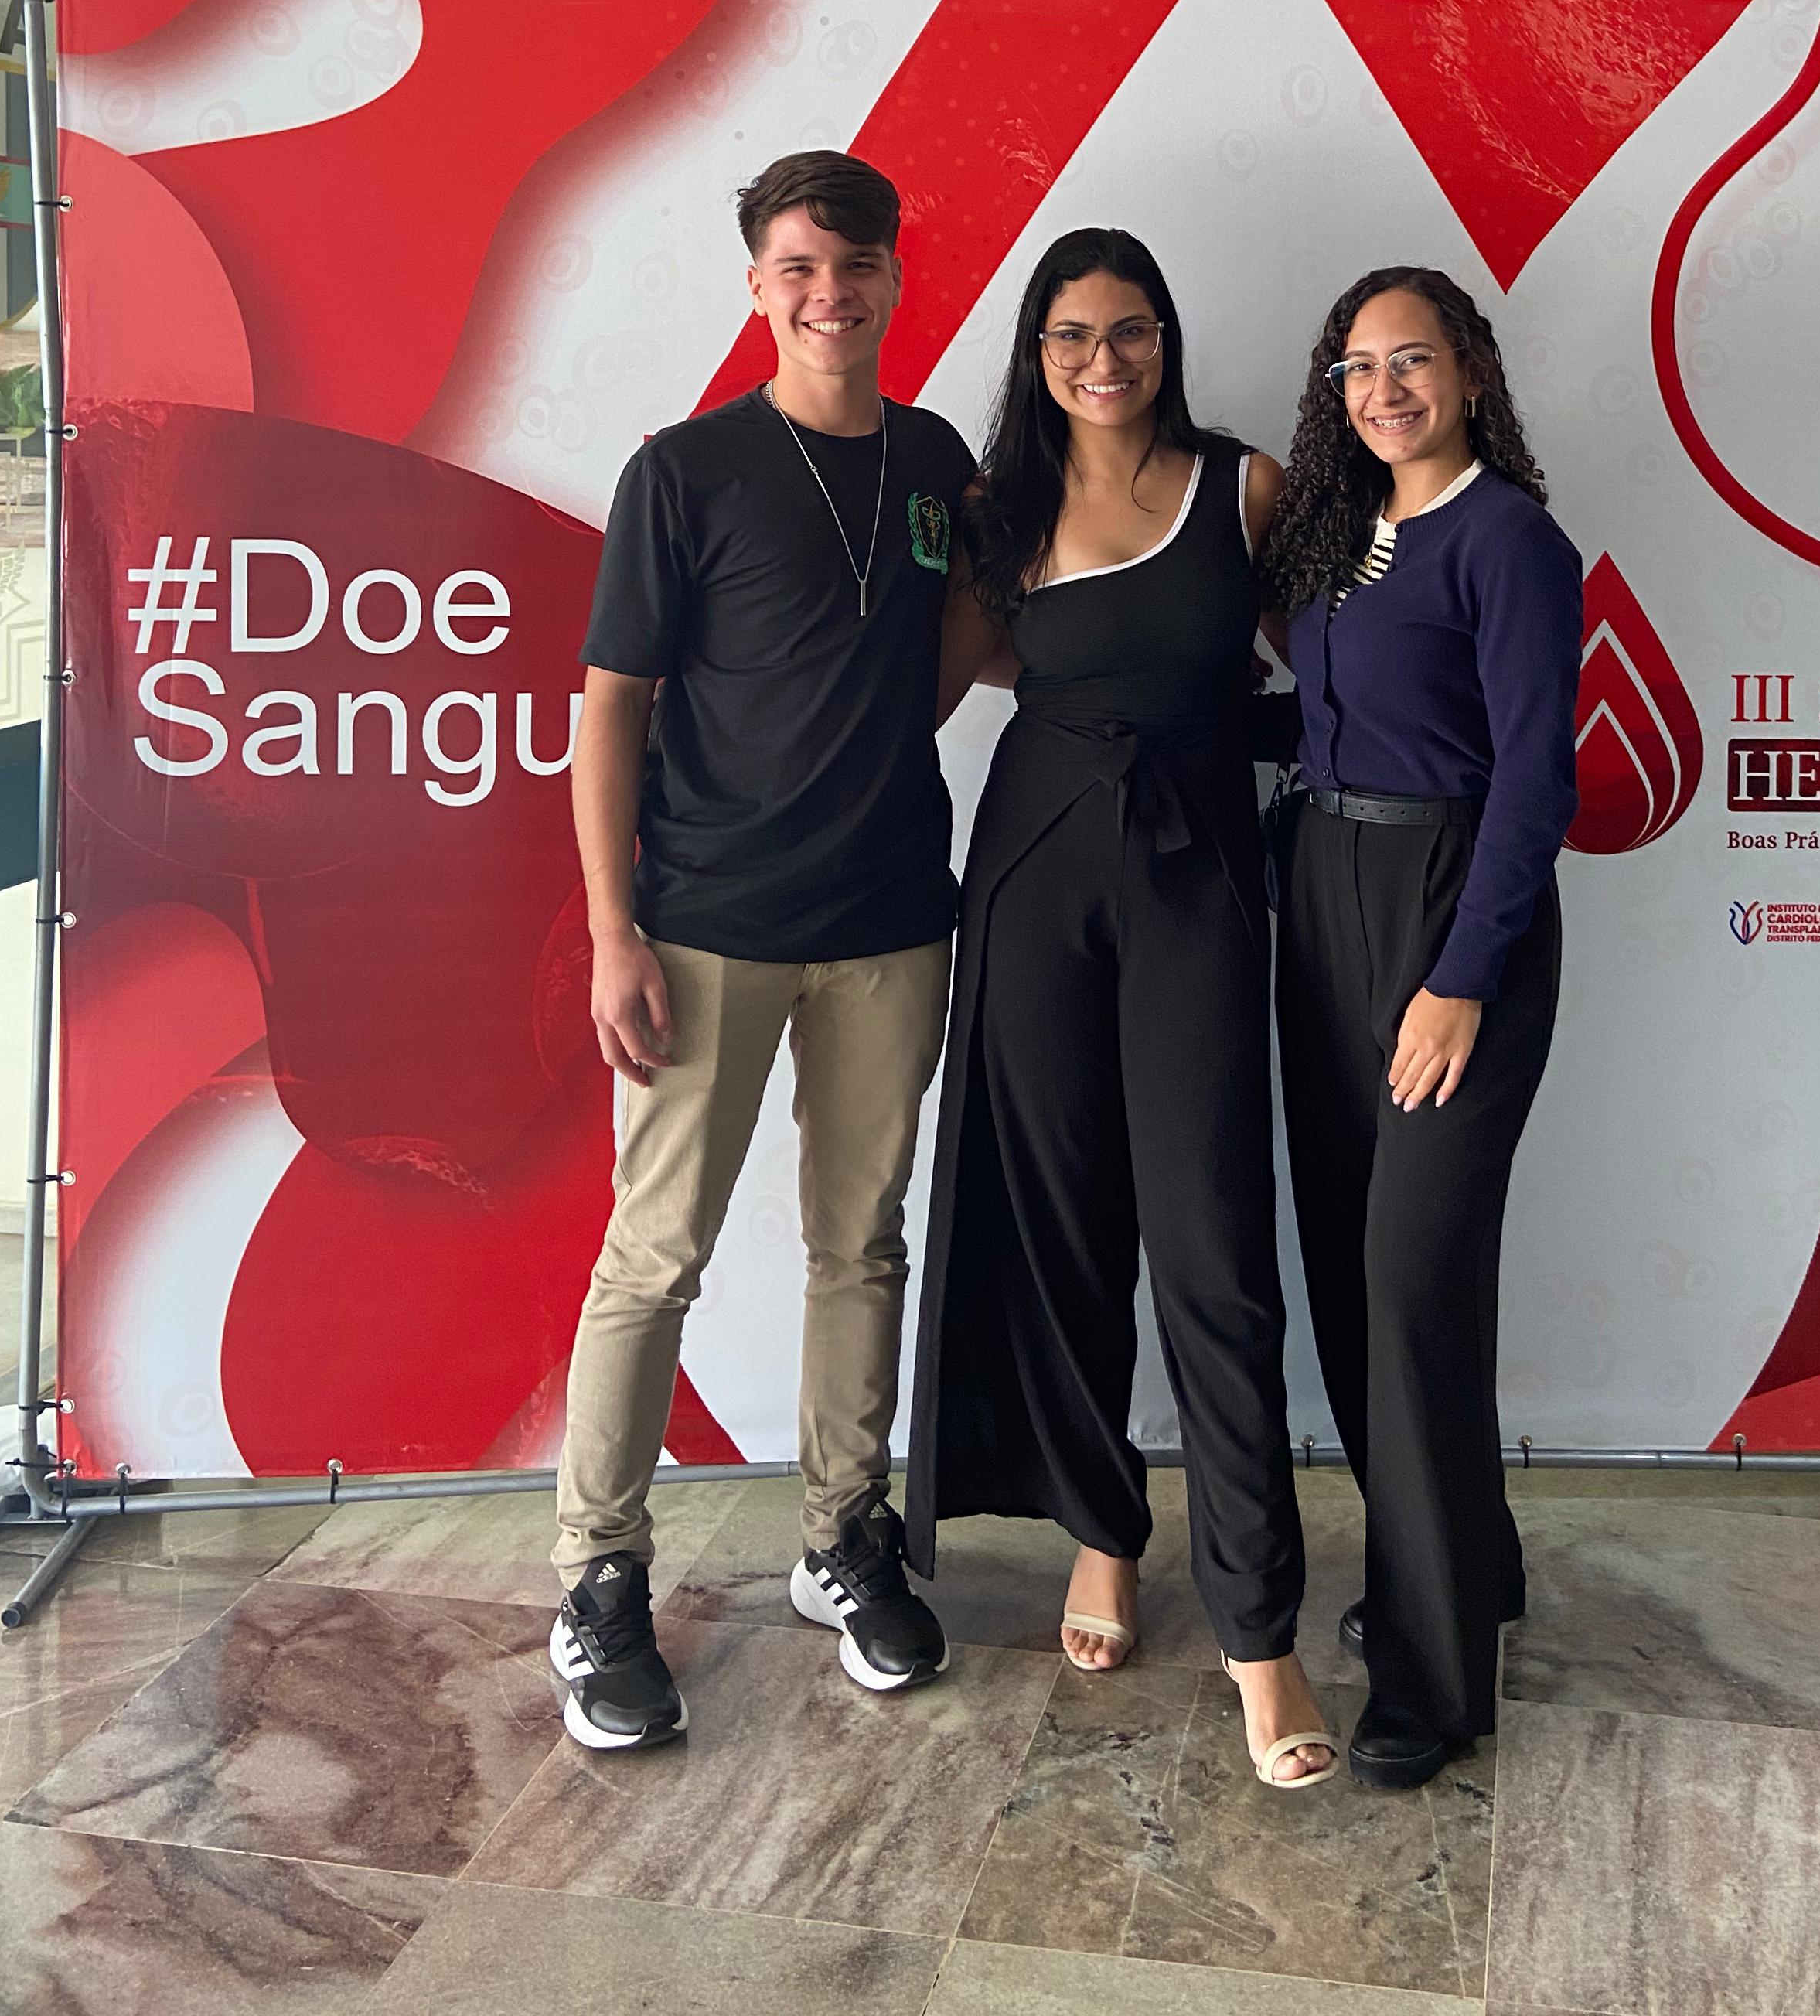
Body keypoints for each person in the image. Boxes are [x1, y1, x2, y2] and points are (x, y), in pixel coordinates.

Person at [547, 148, 979, 1750]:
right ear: (757, 287)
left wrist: (874, 735)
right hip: (708, 929)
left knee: (862, 1243)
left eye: (856, 265)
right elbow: (610, 705)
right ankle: (596, 1580)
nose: (829, 293)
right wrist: (614, 930)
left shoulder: (934, 460)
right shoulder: (687, 470)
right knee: (655, 1256)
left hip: (890, 924)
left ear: (893, 280)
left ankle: (842, 1538)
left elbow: (951, 645)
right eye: (799, 267)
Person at [906, 229, 1337, 1789]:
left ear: (1168, 338)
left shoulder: (1247, 489)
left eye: (1134, 329)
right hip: (1033, 874)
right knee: (1064, 1225)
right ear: (1038, 352)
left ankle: (1259, 1633)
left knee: (1216, 1248)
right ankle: (1103, 1531)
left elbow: (1332, 673)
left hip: (1197, 881)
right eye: (1076, 334)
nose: (1106, 359)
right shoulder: (999, 515)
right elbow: (926, 693)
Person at [1263, 264, 1580, 1791]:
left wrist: (1459, 980)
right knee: (1348, 1268)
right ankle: (1471, 1557)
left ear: (1469, 373)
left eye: (1413, 361)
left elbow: (1535, 779)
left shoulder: (1510, 540)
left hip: (1454, 919)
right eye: (1360, 367)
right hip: (1325, 893)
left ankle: (1433, 1673)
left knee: (1411, 1283)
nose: (1385, 389)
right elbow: (1338, 721)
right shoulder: (1337, 538)